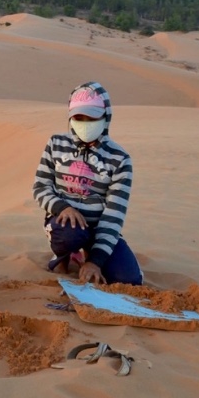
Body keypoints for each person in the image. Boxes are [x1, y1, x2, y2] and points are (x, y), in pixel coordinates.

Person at [33, 81, 142, 285]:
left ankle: (89, 253)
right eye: (78, 117)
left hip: (100, 228)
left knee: (129, 280)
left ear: (105, 116)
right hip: (67, 226)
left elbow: (113, 215)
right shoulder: (56, 144)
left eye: (92, 117)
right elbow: (40, 187)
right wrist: (62, 207)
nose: (85, 123)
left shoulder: (120, 158)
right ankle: (65, 256)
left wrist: (96, 261)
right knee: (68, 234)